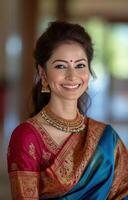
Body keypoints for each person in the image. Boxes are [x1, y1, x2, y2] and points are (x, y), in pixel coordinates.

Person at [7, 21, 128, 200]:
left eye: (80, 65)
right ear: (43, 73)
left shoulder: (107, 138)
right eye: (61, 66)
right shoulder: (27, 137)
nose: (72, 76)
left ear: (89, 72)